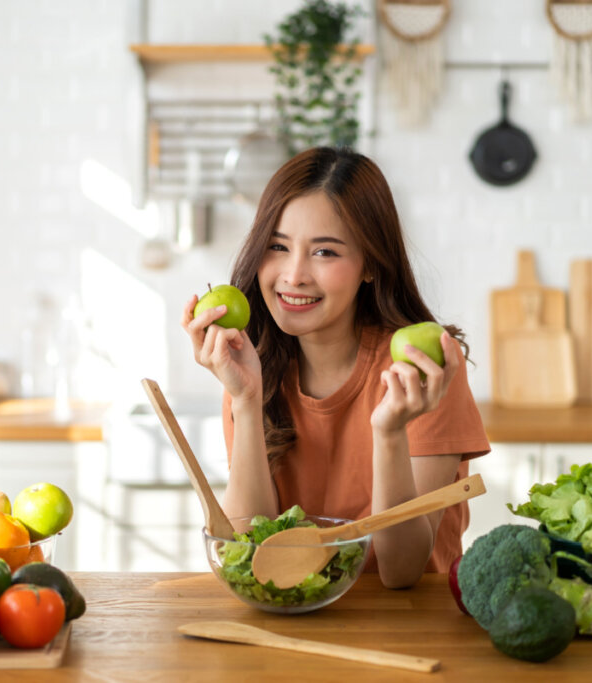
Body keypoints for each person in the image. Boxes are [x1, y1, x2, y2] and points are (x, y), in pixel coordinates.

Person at [182, 147, 490, 589]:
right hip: (296, 614)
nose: (294, 275)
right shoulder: (254, 367)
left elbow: (401, 571)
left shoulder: (420, 371)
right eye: (277, 246)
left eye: (325, 252)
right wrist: (246, 401)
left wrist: (389, 433)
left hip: (409, 621)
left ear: (371, 265)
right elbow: (249, 553)